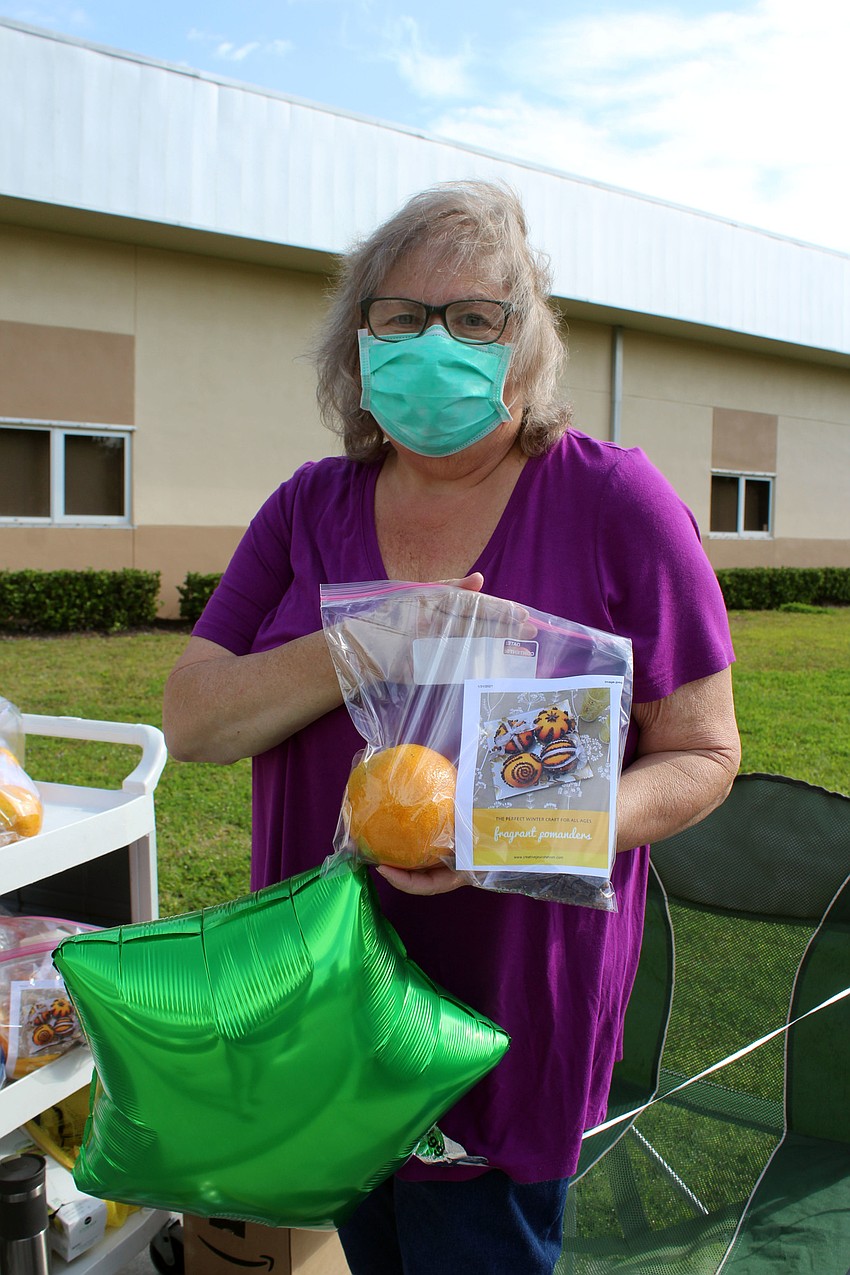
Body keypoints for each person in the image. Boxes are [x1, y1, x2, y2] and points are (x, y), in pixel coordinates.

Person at [163, 180, 740, 1275]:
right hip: (329, 996)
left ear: (527, 345)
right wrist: (373, 640)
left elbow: (704, 753)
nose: (436, 342)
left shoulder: (614, 503)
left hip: (511, 1015)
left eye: (475, 317)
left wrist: (514, 829)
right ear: (358, 342)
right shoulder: (306, 508)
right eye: (402, 315)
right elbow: (193, 721)